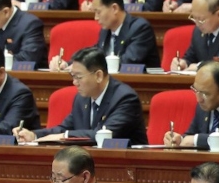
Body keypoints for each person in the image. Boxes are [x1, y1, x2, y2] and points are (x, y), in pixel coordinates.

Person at [16, 47, 147, 145]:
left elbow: (102, 135)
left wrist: (64, 136)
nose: (74, 82)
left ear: (98, 76)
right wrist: (34, 135)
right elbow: (65, 128)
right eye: (72, 76)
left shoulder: (125, 98)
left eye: (78, 77)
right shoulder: (82, 98)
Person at [66, 0, 159, 68]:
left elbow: (128, 61)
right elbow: (94, 55)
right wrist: (69, 64)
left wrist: (89, 67)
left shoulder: (140, 28)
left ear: (114, 8)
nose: (96, 18)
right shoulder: (106, 30)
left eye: (98, 12)